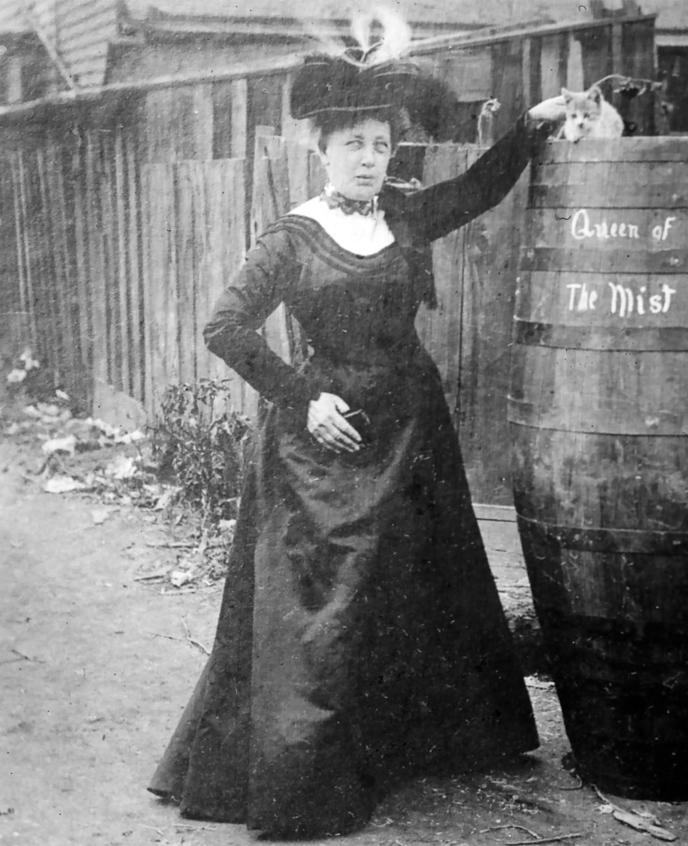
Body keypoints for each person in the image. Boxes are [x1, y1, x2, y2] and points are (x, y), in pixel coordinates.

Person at [147, 53, 566, 838]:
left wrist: (529, 130)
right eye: (355, 145)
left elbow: (478, 189)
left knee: (414, 591)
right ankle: (305, 774)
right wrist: (303, 399)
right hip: (324, 445)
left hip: (412, 429)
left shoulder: (403, 216)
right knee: (323, 612)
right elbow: (225, 329)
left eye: (381, 145)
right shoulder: (292, 238)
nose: (371, 159)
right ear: (322, 149)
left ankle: (407, 748)